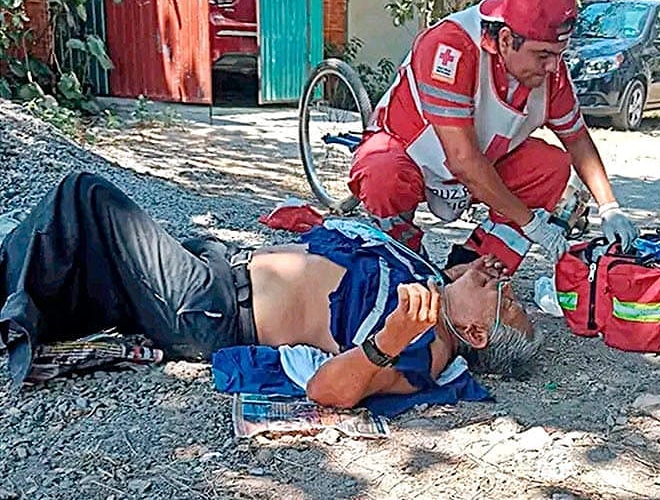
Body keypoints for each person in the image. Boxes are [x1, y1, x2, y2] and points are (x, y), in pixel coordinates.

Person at [0, 172, 540, 409]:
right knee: (94, 254)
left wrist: (389, 338)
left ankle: (11, 311)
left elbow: (332, 392)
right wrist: (464, 272)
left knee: (87, 198)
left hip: (210, 310)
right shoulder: (427, 281)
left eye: (507, 304)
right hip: (219, 270)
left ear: (475, 332)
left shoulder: (423, 348)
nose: (506, 284)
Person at [348, 0, 638, 275]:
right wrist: (532, 223)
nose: (553, 67)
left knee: (551, 167)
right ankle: (406, 264)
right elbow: (463, 161)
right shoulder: (451, 47)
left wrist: (609, 207)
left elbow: (577, 140)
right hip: (413, 154)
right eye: (543, 55)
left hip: (481, 162)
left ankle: (476, 269)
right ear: (506, 40)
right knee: (382, 174)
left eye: (558, 55)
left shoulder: (551, 71)